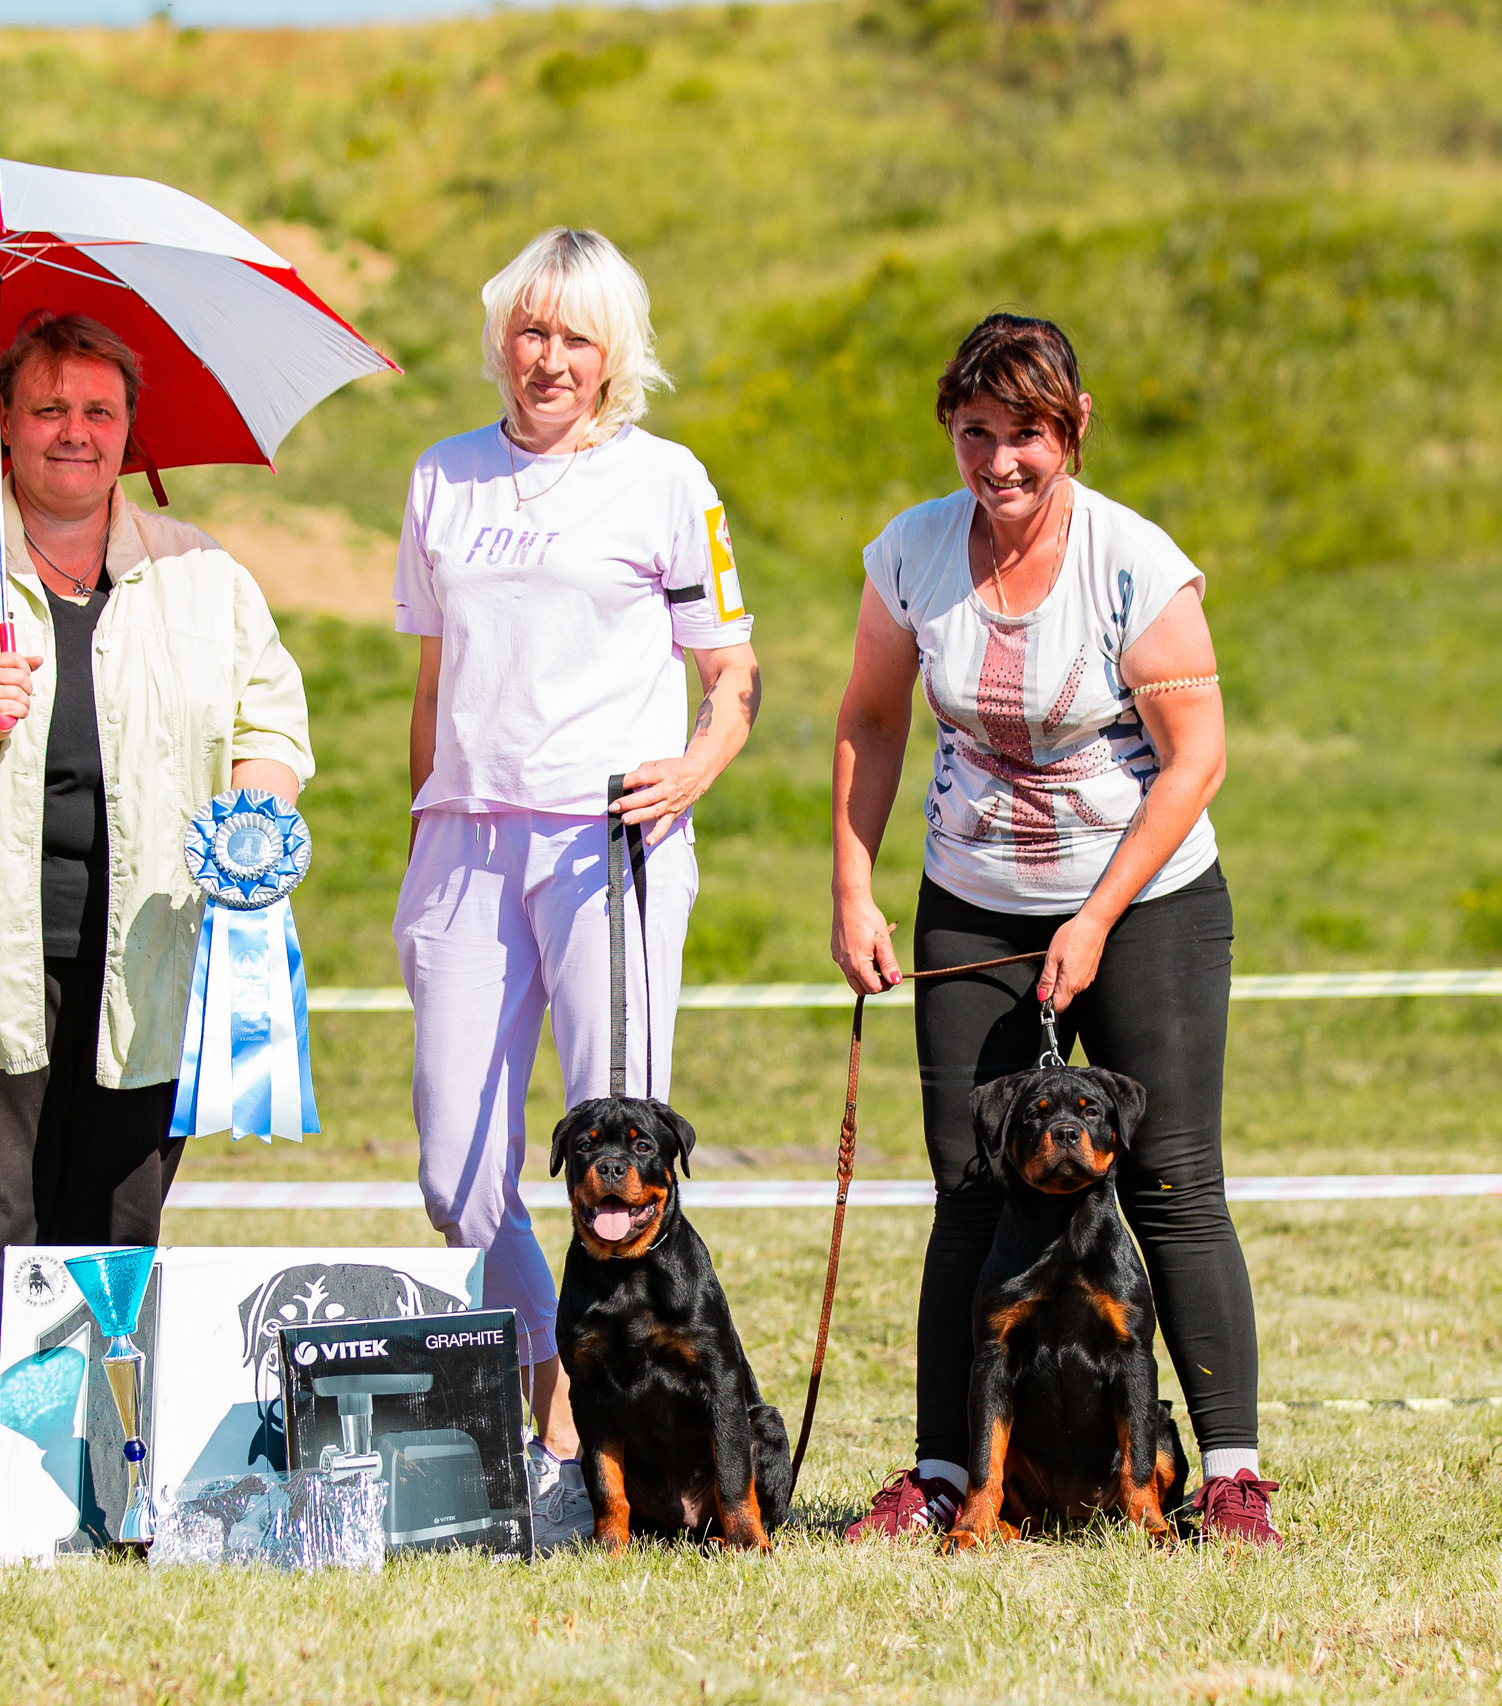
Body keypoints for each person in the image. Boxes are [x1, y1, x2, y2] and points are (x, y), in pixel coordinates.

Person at [0, 313, 312, 1535]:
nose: (74, 432)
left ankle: (106, 1473)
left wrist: (256, 814)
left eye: (98, 410)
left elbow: (273, 724)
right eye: (47, 409)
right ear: (1, 426)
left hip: (150, 952)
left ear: (129, 430)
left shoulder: (207, 576)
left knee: (118, 1217)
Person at [828, 313, 1280, 1545]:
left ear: (1070, 429)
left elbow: (1198, 757)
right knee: (968, 1187)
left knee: (1172, 1179)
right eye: (975, 432)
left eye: (1024, 433)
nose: (998, 460)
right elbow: (870, 718)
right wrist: (854, 888)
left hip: (1147, 897)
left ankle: (1228, 1473)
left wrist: (1094, 915)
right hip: (971, 898)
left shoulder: (1135, 562)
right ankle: (938, 1475)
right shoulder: (910, 554)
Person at [390, 228, 761, 1546]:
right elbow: (430, 686)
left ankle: (568, 1442)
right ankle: (548, 1367)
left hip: (609, 845)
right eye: (531, 331)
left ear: (616, 357)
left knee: (618, 1150)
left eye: (577, 338)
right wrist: (422, 827)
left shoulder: (666, 483)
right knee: (457, 1168)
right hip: (466, 843)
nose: (550, 358)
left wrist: (695, 770)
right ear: (502, 338)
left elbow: (733, 678)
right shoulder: (442, 475)